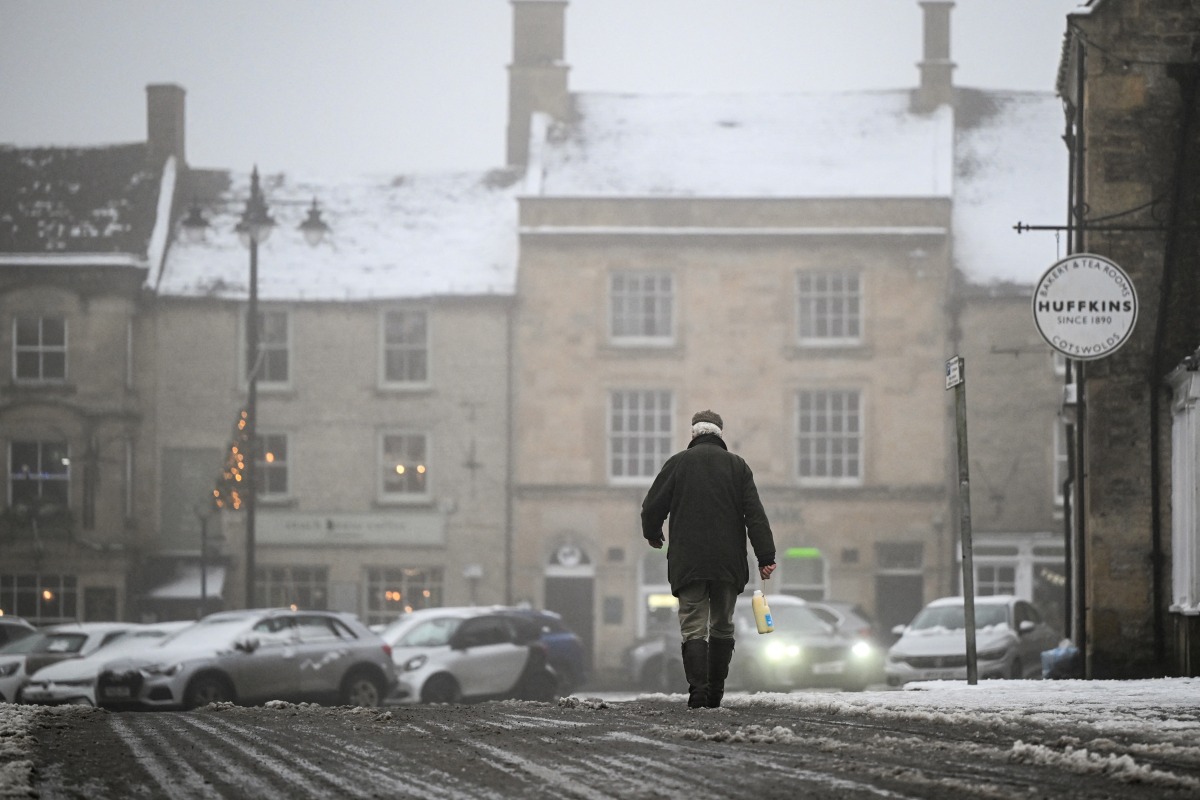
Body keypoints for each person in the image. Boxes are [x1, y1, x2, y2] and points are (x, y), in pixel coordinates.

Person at [641, 409, 776, 709]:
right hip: (727, 563)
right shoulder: (737, 467)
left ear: (694, 433)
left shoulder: (678, 464)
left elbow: (652, 506)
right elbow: (755, 515)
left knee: (692, 625)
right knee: (722, 625)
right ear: (719, 433)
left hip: (689, 562)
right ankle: (716, 693)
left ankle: (698, 692)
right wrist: (765, 555)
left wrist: (653, 533)